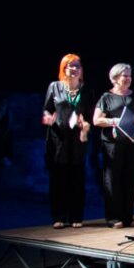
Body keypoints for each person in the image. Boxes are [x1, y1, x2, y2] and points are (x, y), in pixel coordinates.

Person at [93, 63, 134, 229]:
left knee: (130, 178)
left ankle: (127, 215)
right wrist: (112, 121)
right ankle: (113, 217)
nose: (128, 78)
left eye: (130, 75)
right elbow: (96, 120)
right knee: (112, 179)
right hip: (112, 144)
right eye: (125, 75)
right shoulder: (106, 97)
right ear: (115, 78)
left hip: (131, 142)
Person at [42, 54, 92, 229]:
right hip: (58, 140)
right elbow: (46, 110)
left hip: (78, 140)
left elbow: (90, 115)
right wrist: (48, 119)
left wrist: (86, 124)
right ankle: (59, 216)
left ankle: (76, 216)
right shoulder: (55, 87)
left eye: (78, 66)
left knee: (77, 178)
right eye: (71, 65)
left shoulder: (85, 90)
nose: (75, 69)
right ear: (64, 68)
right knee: (58, 178)